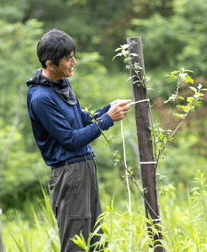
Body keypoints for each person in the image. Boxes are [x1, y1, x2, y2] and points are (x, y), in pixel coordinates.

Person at [26, 28, 131, 252]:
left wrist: (107, 109)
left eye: (73, 55)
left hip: (84, 169)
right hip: (69, 174)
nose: (74, 62)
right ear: (50, 64)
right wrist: (108, 120)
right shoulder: (41, 98)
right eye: (68, 58)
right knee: (76, 245)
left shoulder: (61, 83)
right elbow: (71, 139)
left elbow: (79, 120)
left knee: (96, 241)